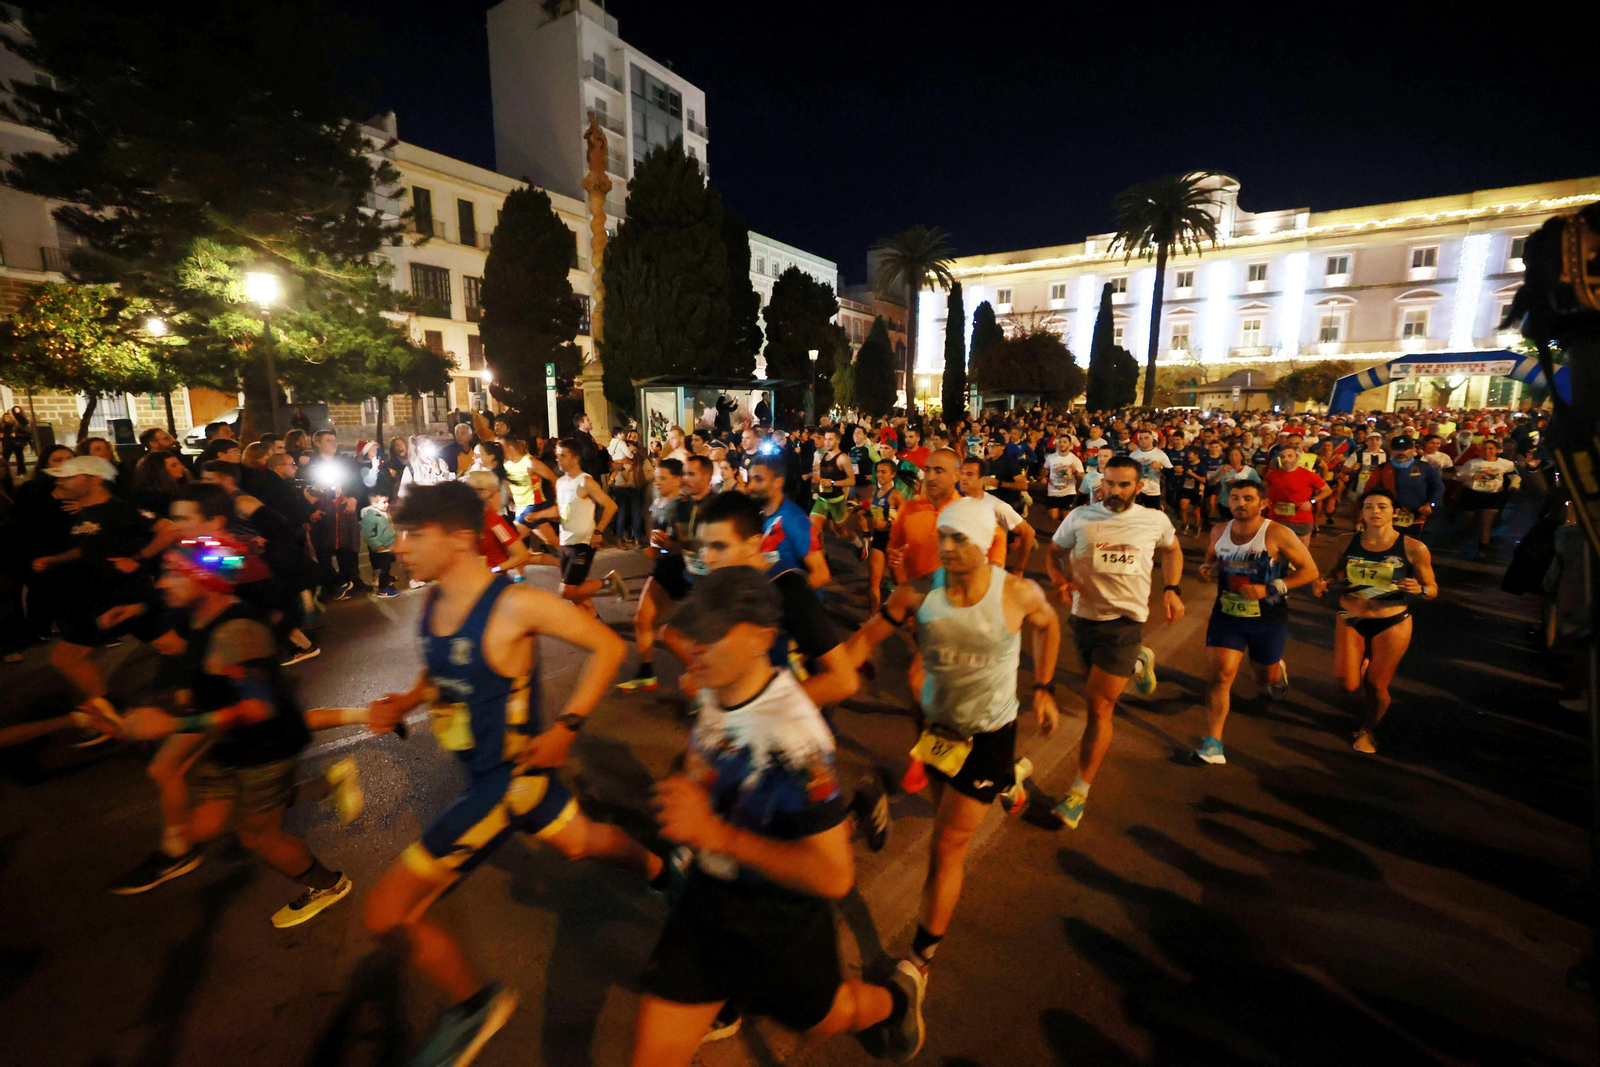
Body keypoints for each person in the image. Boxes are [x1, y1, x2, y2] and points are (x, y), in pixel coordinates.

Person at [360, 482, 682, 1065]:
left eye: (413, 535)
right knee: (581, 841)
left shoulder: (514, 605)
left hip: (502, 788)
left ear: (461, 539)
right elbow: (441, 673)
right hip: (511, 781)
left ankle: (474, 1006)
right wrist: (405, 701)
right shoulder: (434, 602)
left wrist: (566, 727)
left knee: (387, 912)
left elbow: (607, 648)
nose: (399, 547)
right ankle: (666, 873)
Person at [631, 566, 924, 1067]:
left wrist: (714, 833)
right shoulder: (715, 686)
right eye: (697, 629)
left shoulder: (795, 737)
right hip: (707, 907)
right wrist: (692, 787)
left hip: (780, 925)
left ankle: (896, 1000)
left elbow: (833, 875)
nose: (697, 645)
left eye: (715, 633)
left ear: (761, 639)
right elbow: (710, 755)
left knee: (832, 1015)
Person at [843, 497, 1059, 977]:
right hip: (937, 729)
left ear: (983, 543)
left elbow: (1049, 625)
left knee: (946, 847)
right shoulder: (916, 594)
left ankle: (920, 963)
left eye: (958, 537)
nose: (946, 546)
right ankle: (1006, 784)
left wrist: (1044, 689)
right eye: (942, 535)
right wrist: (828, 671)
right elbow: (864, 638)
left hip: (988, 736)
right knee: (944, 814)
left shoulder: (1017, 593)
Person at [109, 536, 351, 926]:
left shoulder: (237, 630)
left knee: (258, 837)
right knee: (206, 824)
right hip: (229, 745)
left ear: (204, 580)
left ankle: (330, 885)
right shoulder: (197, 616)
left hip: (265, 749)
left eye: (173, 573)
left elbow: (257, 709)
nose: (162, 582)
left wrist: (173, 724)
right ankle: (320, 787)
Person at [1045, 456, 1184, 829]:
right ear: (1100, 482)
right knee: (1094, 689)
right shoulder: (1080, 517)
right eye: (1109, 483)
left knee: (1098, 705)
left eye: (1124, 485)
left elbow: (1173, 549)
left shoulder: (1154, 521)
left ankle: (1079, 790)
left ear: (1138, 487)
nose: (1115, 490)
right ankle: (1138, 661)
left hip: (1125, 623)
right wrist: (1059, 580)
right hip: (1084, 619)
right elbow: (1053, 552)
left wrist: (1172, 588)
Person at [1192, 480, 1318, 765]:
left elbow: (1310, 571)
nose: (1240, 503)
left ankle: (1276, 674)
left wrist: (1271, 588)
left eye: (1248, 498)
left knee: (1264, 679)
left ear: (1263, 504)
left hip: (1268, 618)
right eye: (1235, 498)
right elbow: (1212, 554)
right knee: (1221, 674)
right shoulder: (1219, 530)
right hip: (1227, 614)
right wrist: (1206, 567)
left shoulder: (1277, 533)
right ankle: (1213, 742)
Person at [1313, 489, 1438, 753]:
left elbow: (1432, 589)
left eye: (1382, 506)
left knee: (1376, 685)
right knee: (1346, 684)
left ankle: (1368, 729)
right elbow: (1334, 572)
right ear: (1362, 512)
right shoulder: (1346, 542)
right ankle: (1364, 662)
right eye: (1369, 506)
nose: (1375, 511)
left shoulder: (1413, 548)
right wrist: (1324, 582)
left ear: (1395, 512)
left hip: (1391, 620)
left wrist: (1421, 589)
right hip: (1350, 615)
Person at [618, 457, 708, 693]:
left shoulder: (683, 506)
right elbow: (656, 533)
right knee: (642, 620)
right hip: (664, 568)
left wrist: (666, 546)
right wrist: (656, 547)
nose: (657, 482)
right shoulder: (658, 501)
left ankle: (704, 680)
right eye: (656, 478)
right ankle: (646, 674)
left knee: (673, 633)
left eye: (663, 478)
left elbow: (686, 545)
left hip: (681, 571)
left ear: (677, 480)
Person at [552, 437, 626, 613]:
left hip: (582, 542)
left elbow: (610, 506)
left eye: (562, 455)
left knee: (566, 591)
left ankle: (609, 581)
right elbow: (561, 510)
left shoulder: (585, 481)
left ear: (575, 457)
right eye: (557, 455)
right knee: (576, 593)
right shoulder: (560, 482)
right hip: (566, 541)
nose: (558, 459)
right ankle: (595, 621)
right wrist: (541, 516)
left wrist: (598, 531)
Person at [957, 456, 1036, 576]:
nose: (963, 478)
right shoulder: (957, 503)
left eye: (969, 474)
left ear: (983, 480)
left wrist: (1018, 569)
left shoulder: (996, 505)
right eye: (962, 473)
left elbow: (1028, 532)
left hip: (988, 576)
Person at [1369, 435, 1444, 539]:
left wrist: (1431, 504)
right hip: (1389, 517)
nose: (1401, 452)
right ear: (1391, 451)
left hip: (1418, 516)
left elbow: (1438, 487)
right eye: (1397, 449)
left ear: (1412, 450)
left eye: (1405, 449)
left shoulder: (1424, 467)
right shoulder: (1381, 469)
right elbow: (1370, 491)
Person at [1456, 439, 1519, 558]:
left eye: (1491, 448)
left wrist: (1514, 485)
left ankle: (1483, 548)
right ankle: (1467, 535)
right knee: (1468, 520)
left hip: (1493, 495)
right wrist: (1472, 476)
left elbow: (1514, 475)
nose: (1487, 451)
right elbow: (1458, 477)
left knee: (1487, 522)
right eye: (1484, 448)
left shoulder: (1506, 464)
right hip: (1473, 494)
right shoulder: (1472, 463)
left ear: (1497, 450)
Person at [809, 428, 864, 559]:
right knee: (812, 529)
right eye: (825, 439)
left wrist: (832, 482)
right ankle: (822, 554)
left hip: (836, 502)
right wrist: (817, 480)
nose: (827, 442)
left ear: (838, 440)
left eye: (830, 439)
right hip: (822, 499)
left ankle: (859, 544)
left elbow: (851, 480)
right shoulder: (824, 456)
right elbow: (824, 476)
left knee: (841, 533)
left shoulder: (842, 458)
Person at [862, 459, 906, 615]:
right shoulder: (875, 492)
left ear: (893, 474)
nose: (879, 475)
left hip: (892, 541)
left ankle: (908, 615)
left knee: (898, 582)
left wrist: (890, 522)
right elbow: (875, 513)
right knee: (874, 580)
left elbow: (906, 516)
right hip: (878, 539)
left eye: (883, 472)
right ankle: (872, 618)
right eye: (878, 471)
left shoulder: (895, 495)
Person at [1263, 445, 1330, 549]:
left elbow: (1327, 490)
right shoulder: (1272, 475)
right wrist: (1265, 500)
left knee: (1300, 552)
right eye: (1283, 457)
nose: (1286, 459)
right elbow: (1264, 488)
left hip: (1300, 520)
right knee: (1276, 552)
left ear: (1297, 458)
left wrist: (1311, 501)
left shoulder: (1308, 475)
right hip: (1277, 519)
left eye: (1290, 456)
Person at [361, 491, 399, 596]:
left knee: (387, 567)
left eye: (387, 501)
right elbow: (369, 535)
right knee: (384, 569)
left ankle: (386, 582)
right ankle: (383, 589)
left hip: (387, 547)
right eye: (384, 502)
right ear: (374, 504)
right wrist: (378, 545)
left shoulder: (383, 513)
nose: (387, 504)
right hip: (380, 549)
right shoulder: (370, 517)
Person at [1043, 433, 1085, 523]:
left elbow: (1083, 477)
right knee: (1052, 518)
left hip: (1068, 493)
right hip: (1053, 493)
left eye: (1064, 442)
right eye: (1060, 442)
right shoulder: (1051, 458)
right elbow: (1045, 469)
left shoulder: (1075, 459)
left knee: (1066, 518)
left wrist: (1075, 472)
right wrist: (1044, 477)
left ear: (1070, 445)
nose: (1061, 444)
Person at [1127, 429, 1173, 511]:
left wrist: (1160, 467)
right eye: (1141, 439)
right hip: (1137, 490)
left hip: (1152, 490)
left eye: (1146, 438)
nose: (1143, 441)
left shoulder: (1160, 454)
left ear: (1152, 439)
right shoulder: (1133, 455)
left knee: (1152, 514)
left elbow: (1171, 473)